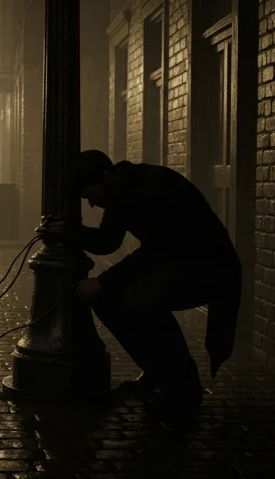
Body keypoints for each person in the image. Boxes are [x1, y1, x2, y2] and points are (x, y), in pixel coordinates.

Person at [70, 149, 242, 415]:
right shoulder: (121, 189)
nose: (92, 204)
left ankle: (184, 391)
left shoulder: (149, 188)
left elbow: (158, 250)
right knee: (110, 297)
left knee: (143, 300)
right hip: (180, 263)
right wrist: (71, 232)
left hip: (210, 267)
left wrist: (103, 281)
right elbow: (108, 241)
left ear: (106, 178)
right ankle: (158, 372)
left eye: (92, 195)